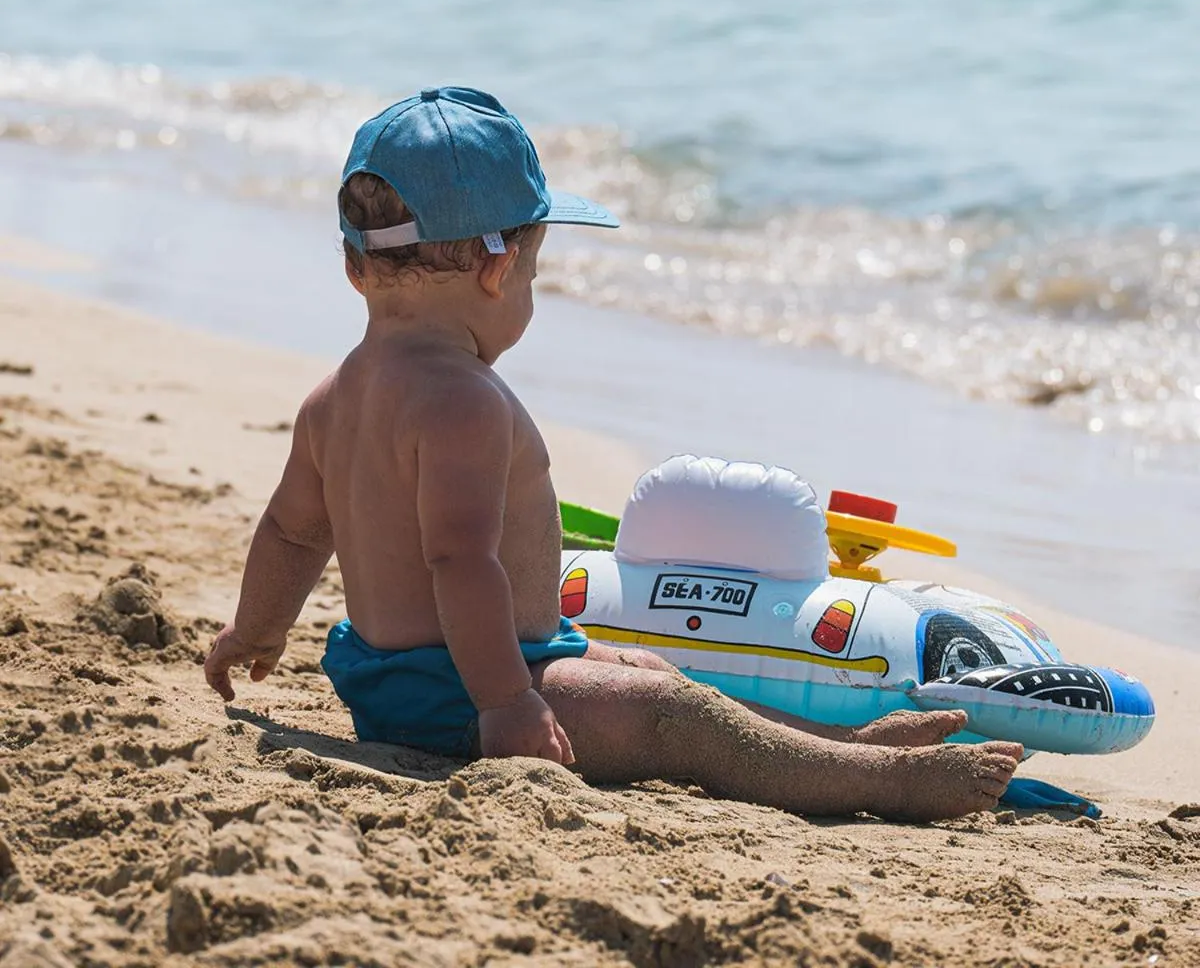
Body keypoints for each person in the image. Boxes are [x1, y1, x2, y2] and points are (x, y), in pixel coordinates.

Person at [203, 87, 1021, 821]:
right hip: (460, 688)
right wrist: (506, 704)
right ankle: (881, 785)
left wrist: (256, 629)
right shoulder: (464, 402)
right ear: (498, 269)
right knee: (677, 720)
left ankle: (855, 743)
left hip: (434, 672)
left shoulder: (334, 396)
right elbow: (458, 562)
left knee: (650, 672)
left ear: (354, 265)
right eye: (533, 276)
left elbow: (293, 532)